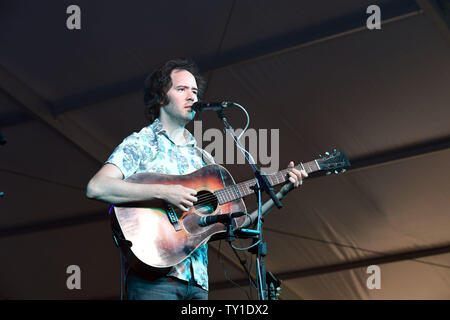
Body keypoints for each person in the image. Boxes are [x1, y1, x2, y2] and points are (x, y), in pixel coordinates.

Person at [86, 58, 307, 300]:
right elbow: (98, 187)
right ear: (161, 97)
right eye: (182, 89)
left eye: (195, 91)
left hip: (198, 284)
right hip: (155, 280)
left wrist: (282, 191)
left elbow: (236, 223)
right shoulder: (141, 143)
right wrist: (165, 193)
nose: (192, 97)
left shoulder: (203, 159)